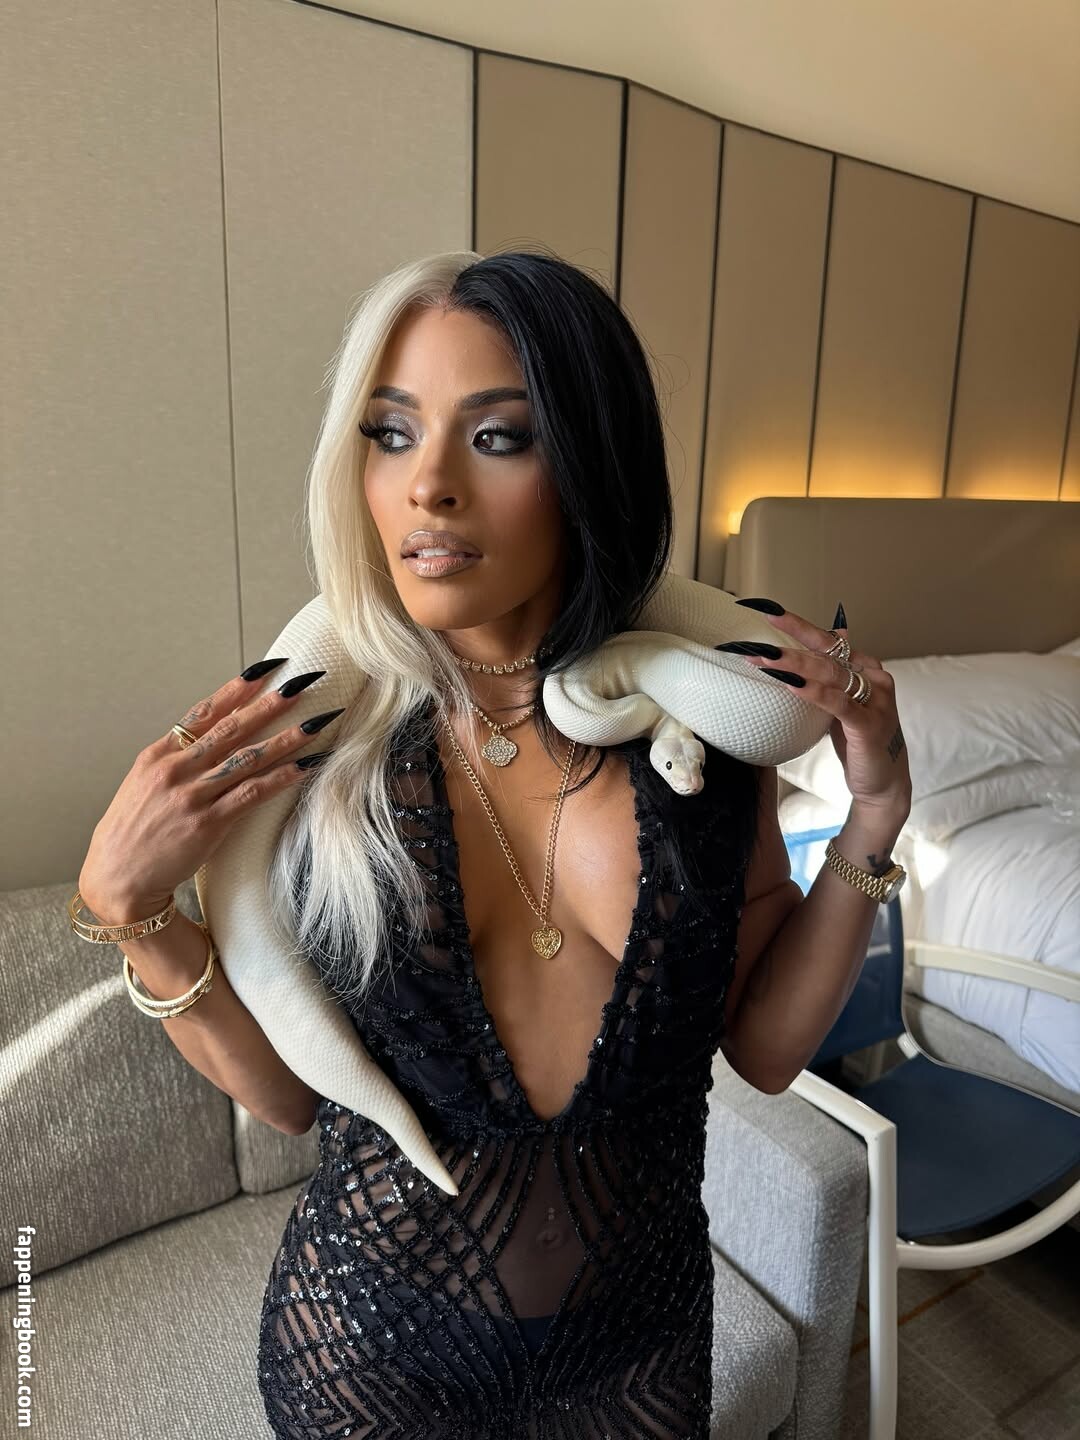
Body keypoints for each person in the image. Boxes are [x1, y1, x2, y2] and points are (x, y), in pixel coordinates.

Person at [76, 249, 912, 1438]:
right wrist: (134, 914)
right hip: (367, 1358)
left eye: (498, 437)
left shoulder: (705, 739)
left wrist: (875, 817)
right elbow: (289, 1101)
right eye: (391, 433)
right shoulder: (316, 754)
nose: (428, 485)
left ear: (593, 465)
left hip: (640, 1358)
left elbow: (768, 1053)